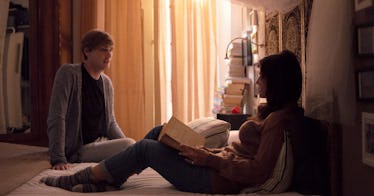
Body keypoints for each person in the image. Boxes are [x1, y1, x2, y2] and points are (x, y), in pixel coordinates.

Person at [41, 50, 305, 194]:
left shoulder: (278, 122)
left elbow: (258, 172)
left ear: (277, 81)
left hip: (215, 180)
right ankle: (110, 180)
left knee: (145, 149)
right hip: (214, 167)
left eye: (262, 77)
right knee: (159, 131)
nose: (258, 82)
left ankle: (83, 177)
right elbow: (245, 156)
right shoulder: (274, 115)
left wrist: (209, 159)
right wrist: (207, 152)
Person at [47, 29, 136, 170]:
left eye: (111, 50)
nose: (109, 55)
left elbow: (111, 123)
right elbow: (57, 117)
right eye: (103, 50)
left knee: (138, 146)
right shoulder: (68, 74)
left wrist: (132, 149)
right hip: (80, 149)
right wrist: (58, 158)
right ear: (87, 51)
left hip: (102, 144)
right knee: (129, 145)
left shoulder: (106, 83)